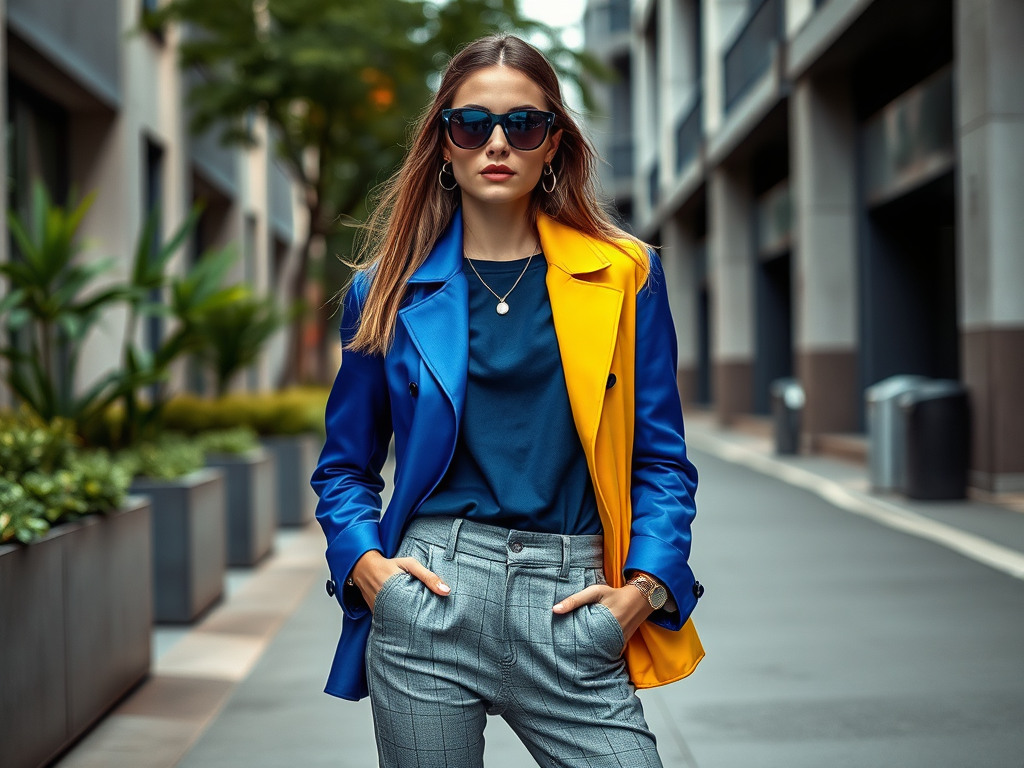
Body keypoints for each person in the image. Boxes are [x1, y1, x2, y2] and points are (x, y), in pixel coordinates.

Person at [312, 33, 704, 768]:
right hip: (429, 600)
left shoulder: (625, 275)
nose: (498, 143)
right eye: (472, 124)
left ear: (553, 143)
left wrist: (645, 588)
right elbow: (344, 467)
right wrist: (367, 566)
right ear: (445, 145)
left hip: (574, 605)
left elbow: (661, 458)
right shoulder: (383, 293)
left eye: (523, 124)